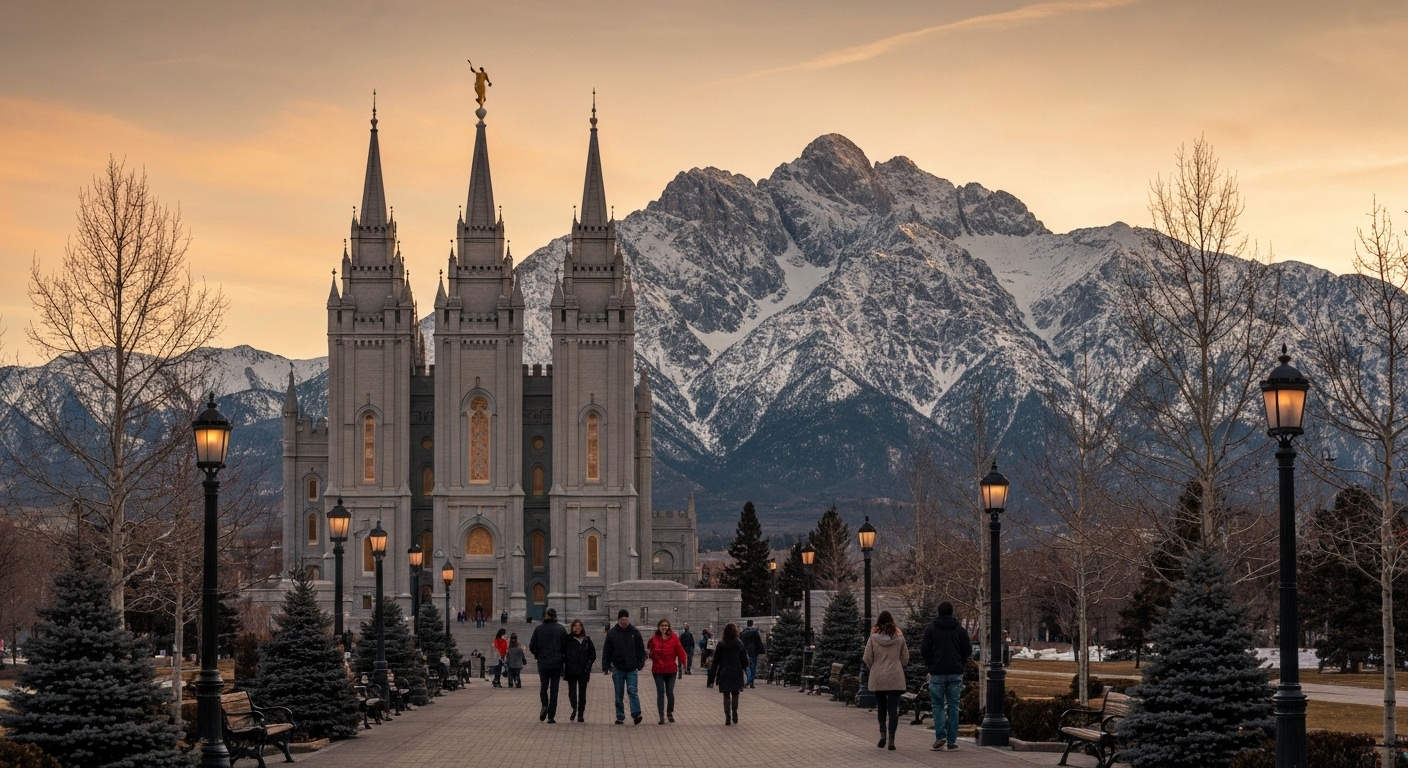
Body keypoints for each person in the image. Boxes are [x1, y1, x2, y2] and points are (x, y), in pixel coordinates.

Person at [921, 601, 972, 752]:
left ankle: (940, 736)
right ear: (951, 612)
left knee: (937, 706)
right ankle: (952, 740)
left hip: (937, 672)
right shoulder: (959, 630)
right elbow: (967, 649)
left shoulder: (931, 629)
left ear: (938, 611)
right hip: (955, 672)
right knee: (954, 706)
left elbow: (925, 650)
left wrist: (931, 665)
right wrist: (960, 663)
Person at [863, 610, 910, 751]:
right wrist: (896, 665)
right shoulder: (900, 638)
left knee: (881, 706)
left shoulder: (873, 638)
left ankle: (882, 734)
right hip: (895, 676)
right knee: (893, 708)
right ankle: (892, 739)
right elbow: (905, 658)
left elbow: (867, 657)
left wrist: (875, 667)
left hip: (879, 676)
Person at [601, 609, 646, 725]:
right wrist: (606, 665)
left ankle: (636, 714)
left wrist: (640, 663)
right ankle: (620, 716)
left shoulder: (634, 632)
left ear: (628, 619)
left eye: (625, 620)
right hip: (618, 668)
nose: (624, 622)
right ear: (618, 620)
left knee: (632, 691)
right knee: (618, 693)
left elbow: (641, 649)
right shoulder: (612, 633)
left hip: (631, 668)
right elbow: (607, 650)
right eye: (621, 620)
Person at [529, 607, 567, 723]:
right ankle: (551, 715)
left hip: (543, 662)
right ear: (555, 616)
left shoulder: (538, 629)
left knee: (543, 687)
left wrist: (538, 655)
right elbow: (566, 647)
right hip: (556, 663)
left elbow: (532, 646)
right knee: (554, 690)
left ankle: (544, 705)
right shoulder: (561, 629)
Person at [647, 618, 687, 724]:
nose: (664, 627)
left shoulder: (674, 637)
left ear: (668, 627)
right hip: (658, 670)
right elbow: (650, 649)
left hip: (670, 670)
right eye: (662, 626)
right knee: (660, 692)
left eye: (666, 625)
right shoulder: (654, 638)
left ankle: (669, 711)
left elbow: (680, 650)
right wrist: (652, 656)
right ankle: (661, 716)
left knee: (669, 692)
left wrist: (684, 664)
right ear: (659, 627)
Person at [710, 622, 749, 725]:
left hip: (724, 671)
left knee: (726, 694)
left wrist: (712, 677)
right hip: (736, 671)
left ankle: (727, 717)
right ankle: (735, 712)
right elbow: (745, 660)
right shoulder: (739, 643)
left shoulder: (721, 644)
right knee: (735, 693)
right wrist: (744, 668)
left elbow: (715, 661)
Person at [563, 619, 597, 723]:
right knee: (572, 693)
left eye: (579, 626)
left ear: (582, 628)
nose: (577, 628)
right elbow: (563, 654)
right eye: (575, 626)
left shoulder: (587, 640)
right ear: (572, 628)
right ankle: (574, 708)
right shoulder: (567, 639)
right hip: (571, 671)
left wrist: (588, 665)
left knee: (582, 694)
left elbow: (593, 655)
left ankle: (581, 714)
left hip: (583, 671)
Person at [740, 619, 765, 688]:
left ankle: (749, 679)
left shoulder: (743, 633)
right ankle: (751, 681)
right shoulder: (755, 632)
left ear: (747, 624)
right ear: (752, 624)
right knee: (753, 666)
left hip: (746, 652)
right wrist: (761, 650)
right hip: (754, 652)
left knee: (747, 666)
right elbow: (759, 642)